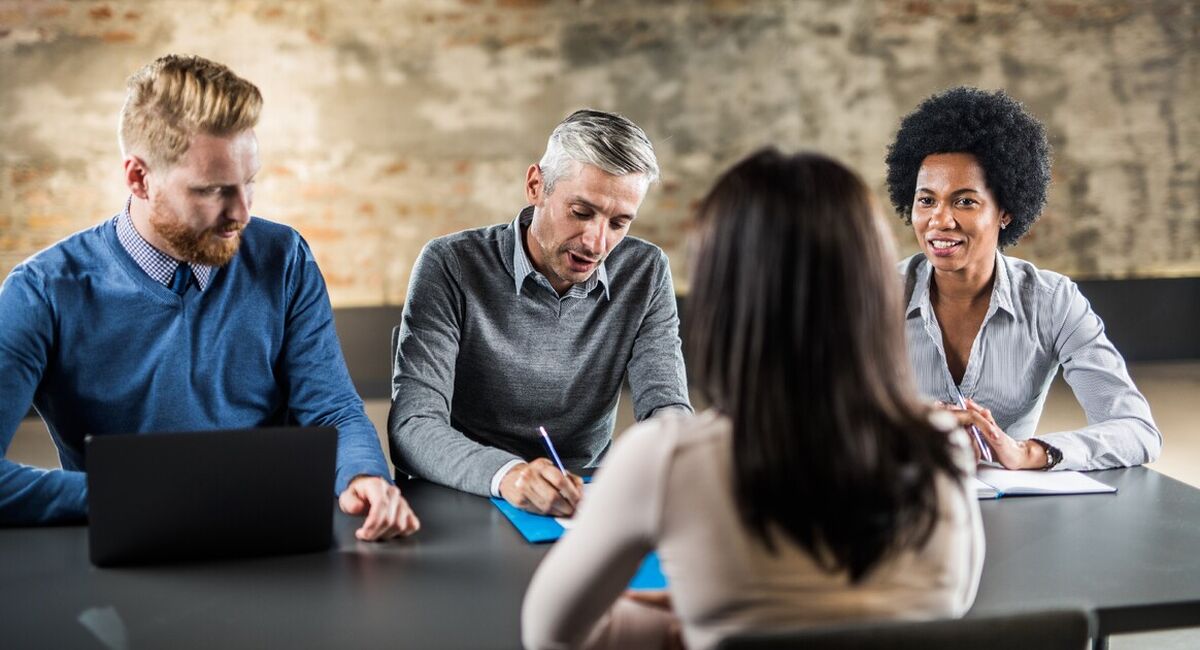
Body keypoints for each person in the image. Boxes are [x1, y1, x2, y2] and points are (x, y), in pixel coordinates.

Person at [521, 149, 983, 650]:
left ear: (723, 296)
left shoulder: (664, 459)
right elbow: (944, 610)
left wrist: (688, 625)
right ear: (871, 291)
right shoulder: (943, 449)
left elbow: (551, 637)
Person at [0, 54, 418, 540]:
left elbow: (332, 408)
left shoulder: (284, 258)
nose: (240, 211)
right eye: (212, 190)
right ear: (138, 178)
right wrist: (131, 497)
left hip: (271, 541)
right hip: (127, 550)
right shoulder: (42, 293)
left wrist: (363, 473)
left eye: (250, 181)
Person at [389, 109, 691, 515]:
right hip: (468, 490)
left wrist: (681, 455)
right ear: (536, 186)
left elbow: (665, 408)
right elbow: (413, 426)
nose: (596, 242)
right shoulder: (450, 264)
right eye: (581, 212)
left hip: (581, 497)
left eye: (619, 223)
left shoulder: (646, 271)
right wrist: (512, 476)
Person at [886, 86, 1162, 471]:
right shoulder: (875, 295)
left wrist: (1029, 452)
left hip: (1013, 510)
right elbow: (814, 422)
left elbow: (1137, 430)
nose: (940, 221)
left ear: (1006, 212)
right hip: (893, 505)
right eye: (926, 200)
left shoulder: (1053, 302)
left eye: (965, 201)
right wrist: (905, 430)